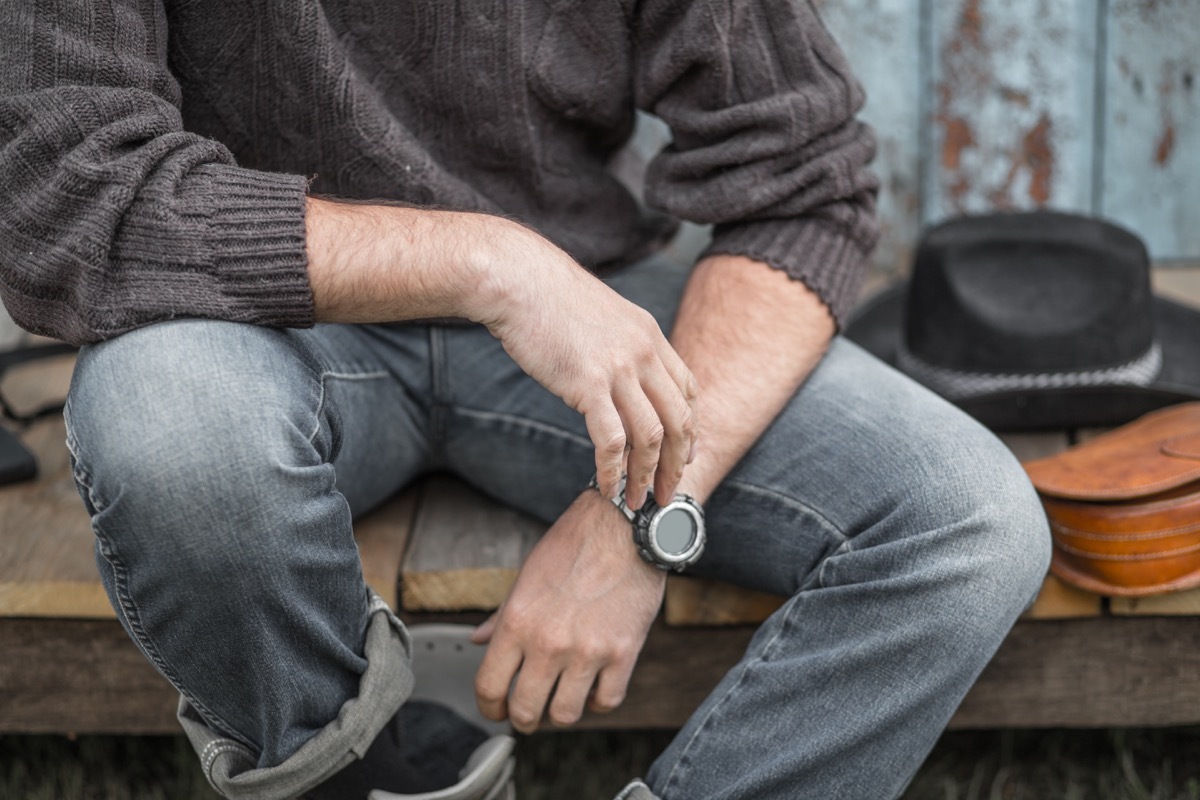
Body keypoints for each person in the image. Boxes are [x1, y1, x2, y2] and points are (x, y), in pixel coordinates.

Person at [0, 1, 1051, 798]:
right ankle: (373, 773)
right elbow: (68, 196)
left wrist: (636, 521)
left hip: (588, 308)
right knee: (171, 432)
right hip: (262, 308)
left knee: (965, 517)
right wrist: (491, 265)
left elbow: (800, 183)